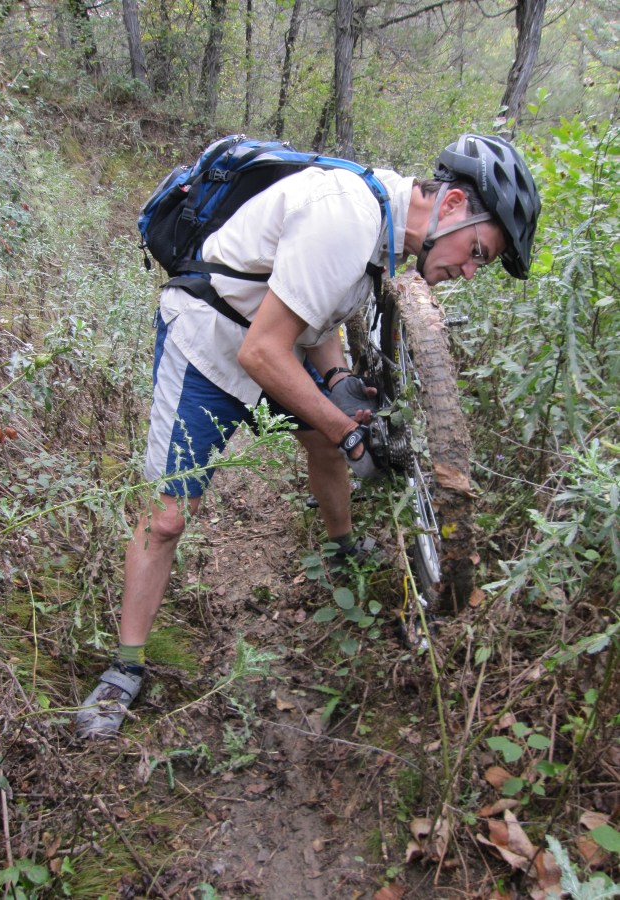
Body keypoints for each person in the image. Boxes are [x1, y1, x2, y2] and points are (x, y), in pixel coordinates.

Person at [76, 133, 540, 738]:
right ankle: (125, 668)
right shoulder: (345, 218)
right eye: (477, 251)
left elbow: (314, 308)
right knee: (166, 517)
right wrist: (346, 430)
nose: (470, 271)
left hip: (273, 340)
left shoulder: (384, 229)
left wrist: (337, 379)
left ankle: (342, 546)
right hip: (209, 344)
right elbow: (260, 352)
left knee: (323, 437)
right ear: (451, 205)